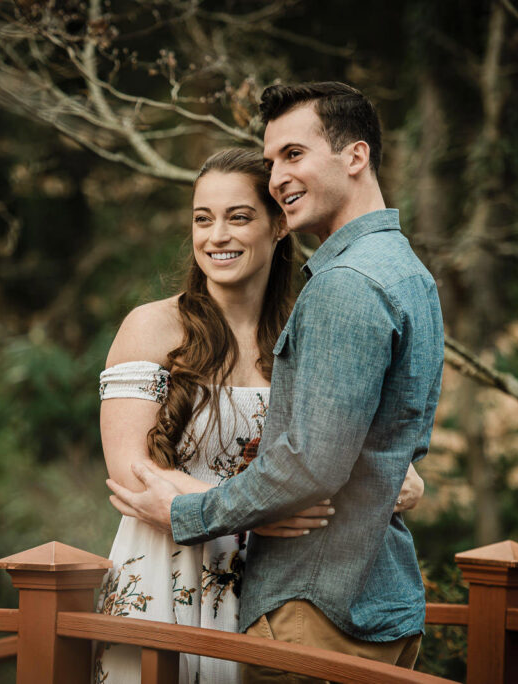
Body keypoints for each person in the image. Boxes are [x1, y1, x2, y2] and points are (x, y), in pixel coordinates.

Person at [108, 82, 445, 682]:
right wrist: (253, 513)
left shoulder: (334, 295)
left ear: (277, 226)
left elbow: (322, 460)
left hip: (291, 588)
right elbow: (130, 473)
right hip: (181, 570)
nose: (218, 236)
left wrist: (389, 476)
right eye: (202, 219)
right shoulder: (401, 272)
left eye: (240, 216)